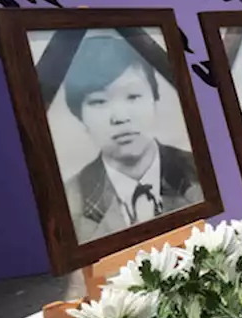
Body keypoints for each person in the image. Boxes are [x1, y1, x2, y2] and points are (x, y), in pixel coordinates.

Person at [62, 35, 202, 243]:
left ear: (154, 98)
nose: (120, 117)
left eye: (133, 96)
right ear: (79, 114)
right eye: (99, 101)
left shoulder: (202, 173)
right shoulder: (68, 202)